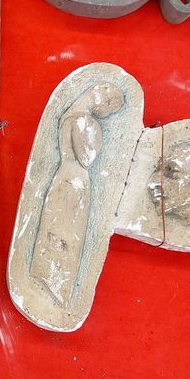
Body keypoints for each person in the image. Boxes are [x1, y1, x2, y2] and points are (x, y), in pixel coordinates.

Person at [30, 83, 124, 306]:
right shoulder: (84, 121)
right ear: (102, 97)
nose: (107, 112)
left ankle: (42, 276)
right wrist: (97, 136)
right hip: (76, 182)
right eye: (110, 106)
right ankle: (57, 288)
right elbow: (87, 158)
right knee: (67, 233)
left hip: (62, 176)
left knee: (54, 228)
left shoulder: (68, 116)